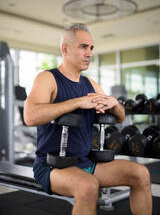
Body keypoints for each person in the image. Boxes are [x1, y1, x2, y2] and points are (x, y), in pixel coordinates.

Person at [24, 23, 152, 215]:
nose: (89, 53)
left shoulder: (91, 84)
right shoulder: (48, 78)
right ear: (65, 49)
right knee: (88, 186)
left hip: (86, 163)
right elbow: (30, 116)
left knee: (141, 173)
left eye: (91, 48)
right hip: (52, 166)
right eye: (83, 47)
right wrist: (77, 102)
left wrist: (114, 103)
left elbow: (120, 117)